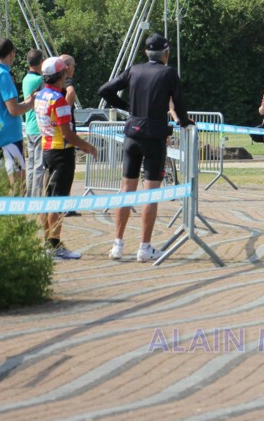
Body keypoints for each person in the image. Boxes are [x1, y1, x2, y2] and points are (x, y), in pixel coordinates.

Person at [97, 33, 192, 262]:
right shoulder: (169, 73)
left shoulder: (134, 69)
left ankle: (117, 245)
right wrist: (184, 121)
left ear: (145, 52)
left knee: (126, 190)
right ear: (166, 53)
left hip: (132, 134)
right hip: (154, 137)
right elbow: (179, 102)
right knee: (151, 194)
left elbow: (104, 90)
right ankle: (145, 247)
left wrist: (127, 107)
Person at [34, 56, 98, 259]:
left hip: (46, 149)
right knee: (58, 200)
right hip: (61, 153)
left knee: (48, 199)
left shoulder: (40, 95)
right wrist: (87, 147)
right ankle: (55, 245)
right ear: (61, 75)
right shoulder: (58, 99)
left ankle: (48, 242)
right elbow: (67, 134)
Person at [0, 38, 37, 183]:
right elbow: (14, 110)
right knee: (19, 186)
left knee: (2, 187)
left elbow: (1, 107)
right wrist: (32, 103)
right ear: (12, 53)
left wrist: (27, 101)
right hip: (10, 138)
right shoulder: (3, 75)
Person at [21, 49, 46, 197]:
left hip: (29, 126)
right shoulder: (39, 80)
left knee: (30, 165)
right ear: (40, 62)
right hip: (39, 127)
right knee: (39, 165)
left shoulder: (26, 79)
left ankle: (29, 195)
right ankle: (36, 197)